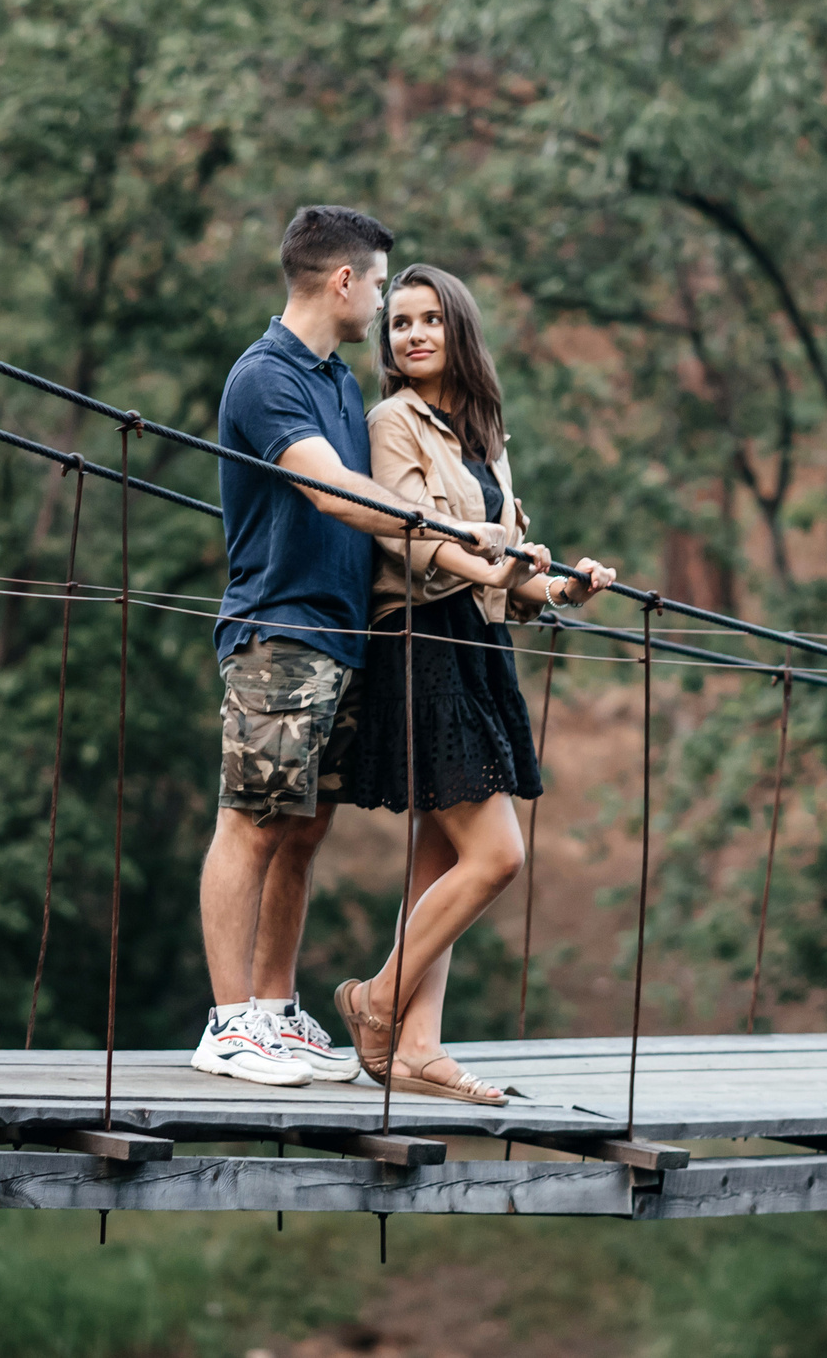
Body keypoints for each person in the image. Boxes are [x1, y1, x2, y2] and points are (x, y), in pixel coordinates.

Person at [194, 210, 512, 1087]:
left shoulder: (336, 380)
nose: (382, 301)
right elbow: (332, 491)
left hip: (347, 638)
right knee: (250, 822)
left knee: (302, 829)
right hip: (280, 627)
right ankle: (227, 1024)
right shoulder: (265, 377)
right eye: (378, 284)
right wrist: (452, 526)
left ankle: (272, 1009)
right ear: (344, 282)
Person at [332, 265, 617, 1104]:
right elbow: (414, 538)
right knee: (496, 854)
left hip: (478, 643)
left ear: (459, 330)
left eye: (431, 320)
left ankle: (418, 1047)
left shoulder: (485, 436)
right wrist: (489, 547)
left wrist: (565, 586)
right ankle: (375, 1001)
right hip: (421, 642)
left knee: (442, 859)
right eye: (401, 321)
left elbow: (511, 574)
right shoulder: (393, 421)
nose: (413, 334)